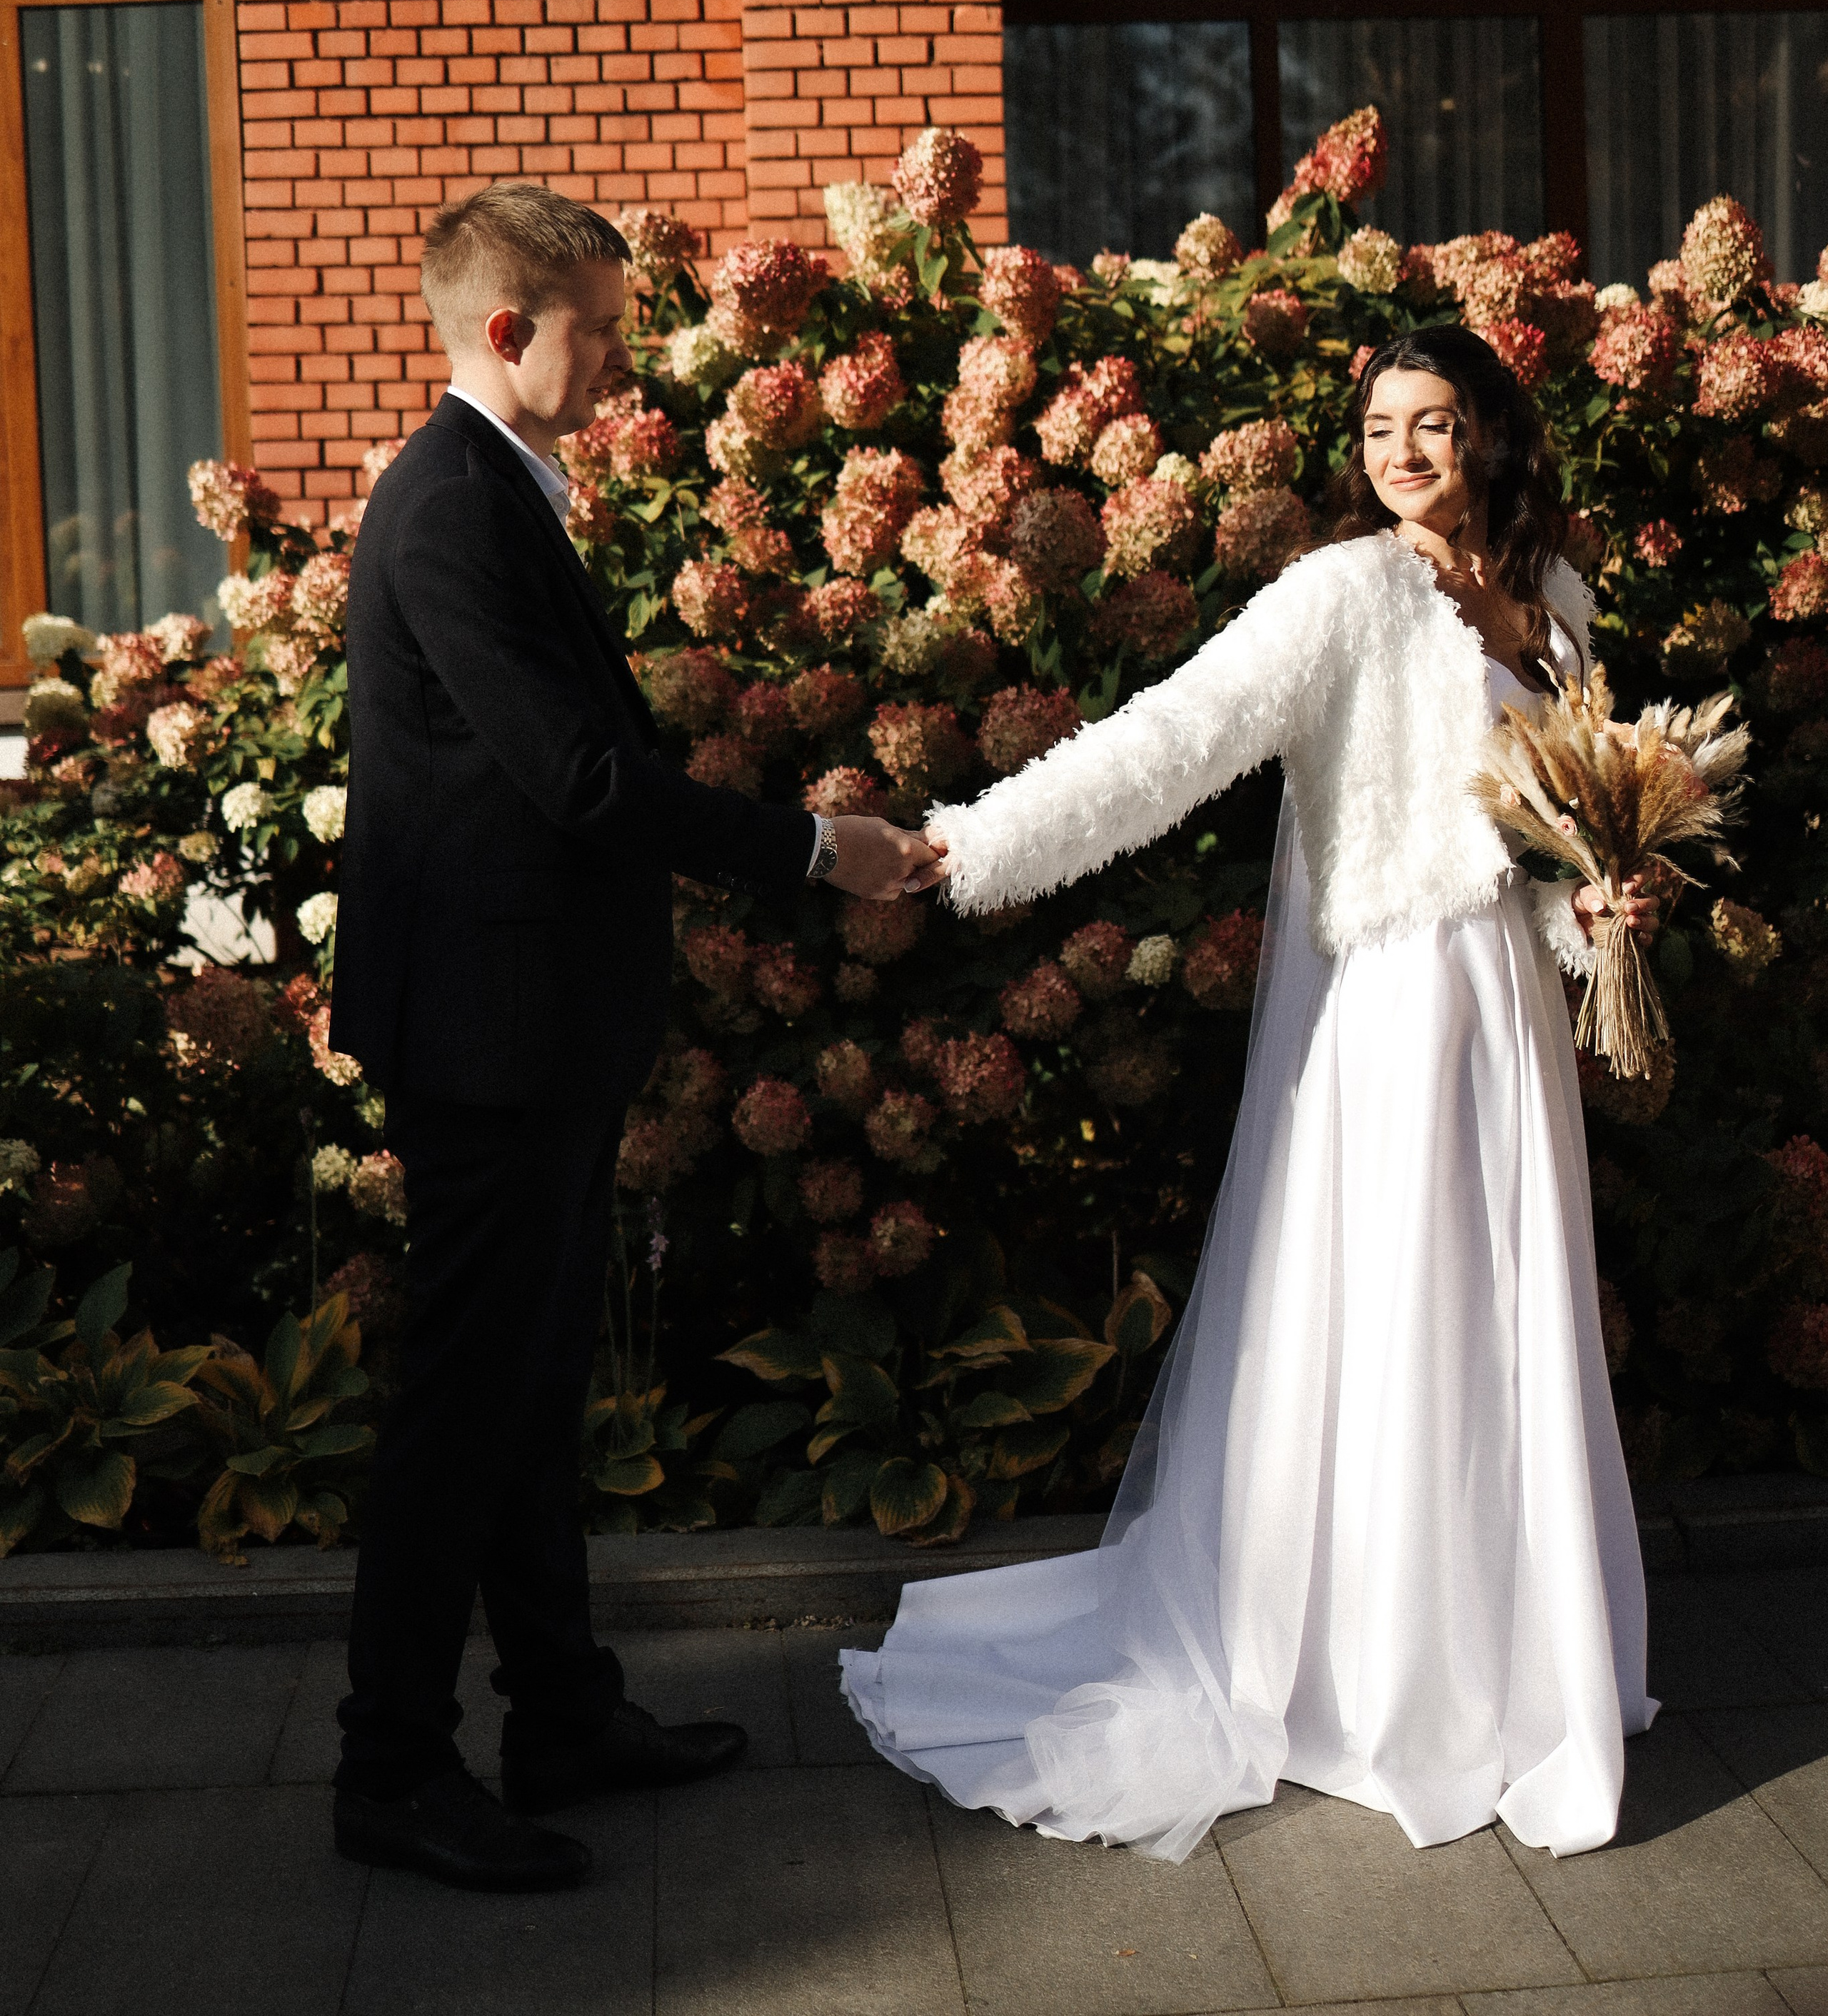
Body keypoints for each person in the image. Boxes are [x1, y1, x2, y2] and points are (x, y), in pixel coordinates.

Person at [840, 325, 1659, 1861]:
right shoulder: (1341, 593)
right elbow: (1171, 738)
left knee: (1502, 1325)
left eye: (1431, 423)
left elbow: (1545, 847)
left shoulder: (1550, 599)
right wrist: (980, 843)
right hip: (1399, 1011)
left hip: (1510, 1019)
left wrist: (1591, 918)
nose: (1401, 452)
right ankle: (1370, 1678)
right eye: (1376, 427)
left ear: (1489, 431)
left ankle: (1506, 1653)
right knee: (1406, 1319)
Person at [329, 181, 940, 1892]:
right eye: (598, 324)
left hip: (527, 1019)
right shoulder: (448, 504)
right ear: (508, 331)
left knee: (522, 1391)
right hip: (485, 1030)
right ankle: (388, 1766)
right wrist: (824, 847)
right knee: (464, 1404)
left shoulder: (493, 490)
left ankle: (560, 1713)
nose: (624, 353)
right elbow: (580, 779)